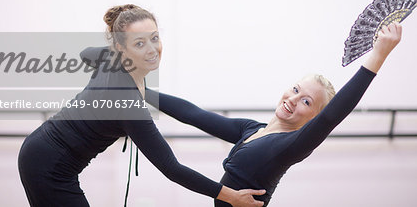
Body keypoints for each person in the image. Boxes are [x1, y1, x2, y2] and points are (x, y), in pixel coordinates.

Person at [82, 21, 403, 206]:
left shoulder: (292, 145)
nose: (294, 100)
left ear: (312, 118)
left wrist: (378, 54)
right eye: (295, 90)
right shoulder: (253, 130)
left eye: (307, 102)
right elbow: (193, 114)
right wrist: (139, 89)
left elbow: (334, 115)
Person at [18, 4, 266, 207]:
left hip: (42, 150)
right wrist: (230, 196)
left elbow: (187, 112)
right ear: (121, 47)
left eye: (154, 38)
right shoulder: (127, 102)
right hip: (48, 165)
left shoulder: (112, 61)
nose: (152, 50)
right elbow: (171, 168)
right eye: (139, 43)